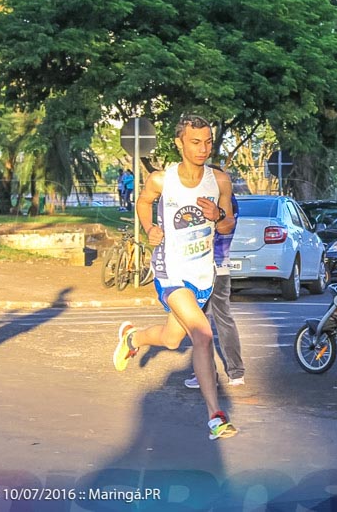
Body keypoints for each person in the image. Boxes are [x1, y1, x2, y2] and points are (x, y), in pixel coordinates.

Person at [113, 114, 239, 440]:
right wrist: (150, 229)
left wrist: (219, 215)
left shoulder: (220, 181)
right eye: (196, 142)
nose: (203, 148)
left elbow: (228, 226)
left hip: (202, 275)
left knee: (172, 339)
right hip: (171, 271)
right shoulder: (161, 180)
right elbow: (143, 202)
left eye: (208, 142)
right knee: (203, 334)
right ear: (179, 143)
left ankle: (133, 339)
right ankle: (216, 416)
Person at [185, 192, 244, 388]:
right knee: (223, 319)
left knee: (201, 323)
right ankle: (235, 373)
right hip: (221, 267)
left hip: (206, 268)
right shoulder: (230, 203)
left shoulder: (215, 204)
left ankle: (209, 373)